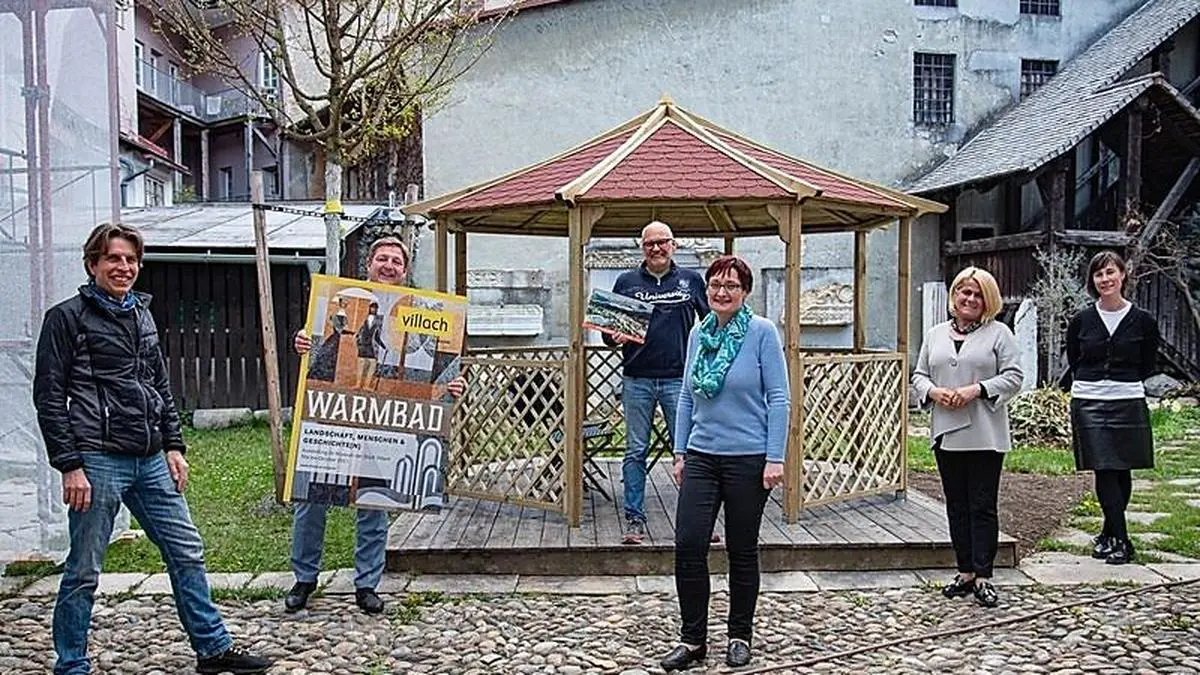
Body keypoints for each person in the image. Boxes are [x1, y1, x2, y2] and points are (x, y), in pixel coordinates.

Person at [33, 223, 272, 675]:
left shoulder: (141, 313)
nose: (123, 267)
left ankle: (213, 649)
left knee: (186, 550)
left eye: (130, 260)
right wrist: (69, 465)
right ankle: (71, 664)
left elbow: (158, 384)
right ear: (92, 264)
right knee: (84, 569)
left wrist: (173, 445)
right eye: (113, 258)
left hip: (149, 460)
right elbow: (48, 397)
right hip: (97, 460)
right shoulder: (66, 318)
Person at [288, 236, 465, 615]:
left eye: (396, 261)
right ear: (369, 264)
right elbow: (318, 348)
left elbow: (436, 367)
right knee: (311, 499)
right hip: (335, 417)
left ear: (405, 270)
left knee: (374, 502)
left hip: (383, 421)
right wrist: (304, 342)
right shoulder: (341, 299)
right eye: (382, 258)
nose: (388, 265)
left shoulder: (422, 311)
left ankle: (367, 585)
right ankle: (304, 579)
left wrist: (449, 385)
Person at [659, 256, 788, 671]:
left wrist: (775, 457)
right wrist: (680, 451)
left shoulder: (762, 332)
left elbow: (779, 398)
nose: (721, 292)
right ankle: (692, 639)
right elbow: (686, 395)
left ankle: (739, 635)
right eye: (715, 284)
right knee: (688, 544)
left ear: (745, 291)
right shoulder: (699, 333)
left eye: (731, 285)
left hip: (749, 458)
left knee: (741, 549)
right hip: (702, 454)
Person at [911, 266, 1022, 609]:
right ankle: (965, 572)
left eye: (977, 295)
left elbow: (1014, 376)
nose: (970, 299)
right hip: (947, 433)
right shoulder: (935, 334)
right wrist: (933, 392)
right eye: (965, 292)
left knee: (982, 505)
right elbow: (919, 375)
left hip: (985, 434)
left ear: (988, 301)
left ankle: (984, 575)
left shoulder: (999, 334)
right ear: (954, 295)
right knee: (956, 505)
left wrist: (978, 389)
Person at [603, 220, 708, 544]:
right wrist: (613, 337)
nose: (657, 248)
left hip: (680, 380)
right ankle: (634, 519)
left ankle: (697, 521)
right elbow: (609, 332)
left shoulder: (691, 280)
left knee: (687, 451)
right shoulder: (626, 282)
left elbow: (710, 325)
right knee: (635, 450)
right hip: (637, 379)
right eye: (650, 243)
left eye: (662, 241)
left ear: (674, 245)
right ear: (642, 248)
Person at [1065, 250, 1159, 565]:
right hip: (1089, 400)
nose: (1105, 279)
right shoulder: (1082, 320)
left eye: (1110, 272)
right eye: (1098, 274)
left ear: (1122, 275)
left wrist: (1121, 381)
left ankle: (1108, 534)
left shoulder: (1143, 321)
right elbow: (1075, 359)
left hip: (1127, 398)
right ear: (1092, 281)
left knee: (1122, 467)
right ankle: (1122, 539)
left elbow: (1147, 363)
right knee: (1104, 467)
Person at [354, 302, 386, 389]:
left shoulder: (377, 323)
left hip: (371, 347)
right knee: (361, 365)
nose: (373, 310)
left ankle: (367, 385)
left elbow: (377, 337)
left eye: (375, 308)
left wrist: (384, 346)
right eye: (372, 308)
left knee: (372, 365)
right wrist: (358, 343)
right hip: (363, 347)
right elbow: (358, 334)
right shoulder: (364, 321)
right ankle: (358, 384)